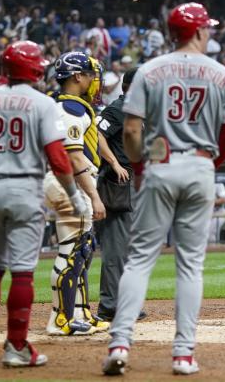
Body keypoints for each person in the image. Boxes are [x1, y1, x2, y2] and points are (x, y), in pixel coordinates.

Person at [102, 2, 225, 376]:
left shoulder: (149, 70)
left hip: (160, 165)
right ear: (197, 32)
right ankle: (182, 354)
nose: (209, 32)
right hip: (199, 165)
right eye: (206, 28)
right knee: (190, 265)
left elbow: (131, 130)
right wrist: (209, 165)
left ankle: (119, 343)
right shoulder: (222, 74)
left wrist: (142, 166)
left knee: (140, 259)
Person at [0, 41, 87, 368]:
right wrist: (75, 197)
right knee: (21, 273)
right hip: (25, 189)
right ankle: (16, 346)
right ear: (34, 67)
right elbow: (59, 159)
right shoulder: (43, 104)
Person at [44, 51, 108, 336]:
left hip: (63, 180)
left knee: (82, 250)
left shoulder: (61, 103)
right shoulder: (71, 108)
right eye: (90, 74)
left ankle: (81, 313)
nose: (94, 80)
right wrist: (94, 196)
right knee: (72, 252)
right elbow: (74, 157)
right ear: (76, 76)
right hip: (68, 182)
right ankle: (60, 319)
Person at [95, 68, 146, 322]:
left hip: (135, 182)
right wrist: (114, 163)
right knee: (116, 247)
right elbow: (96, 135)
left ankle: (126, 302)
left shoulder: (137, 110)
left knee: (130, 248)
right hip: (119, 183)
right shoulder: (118, 108)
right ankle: (109, 305)